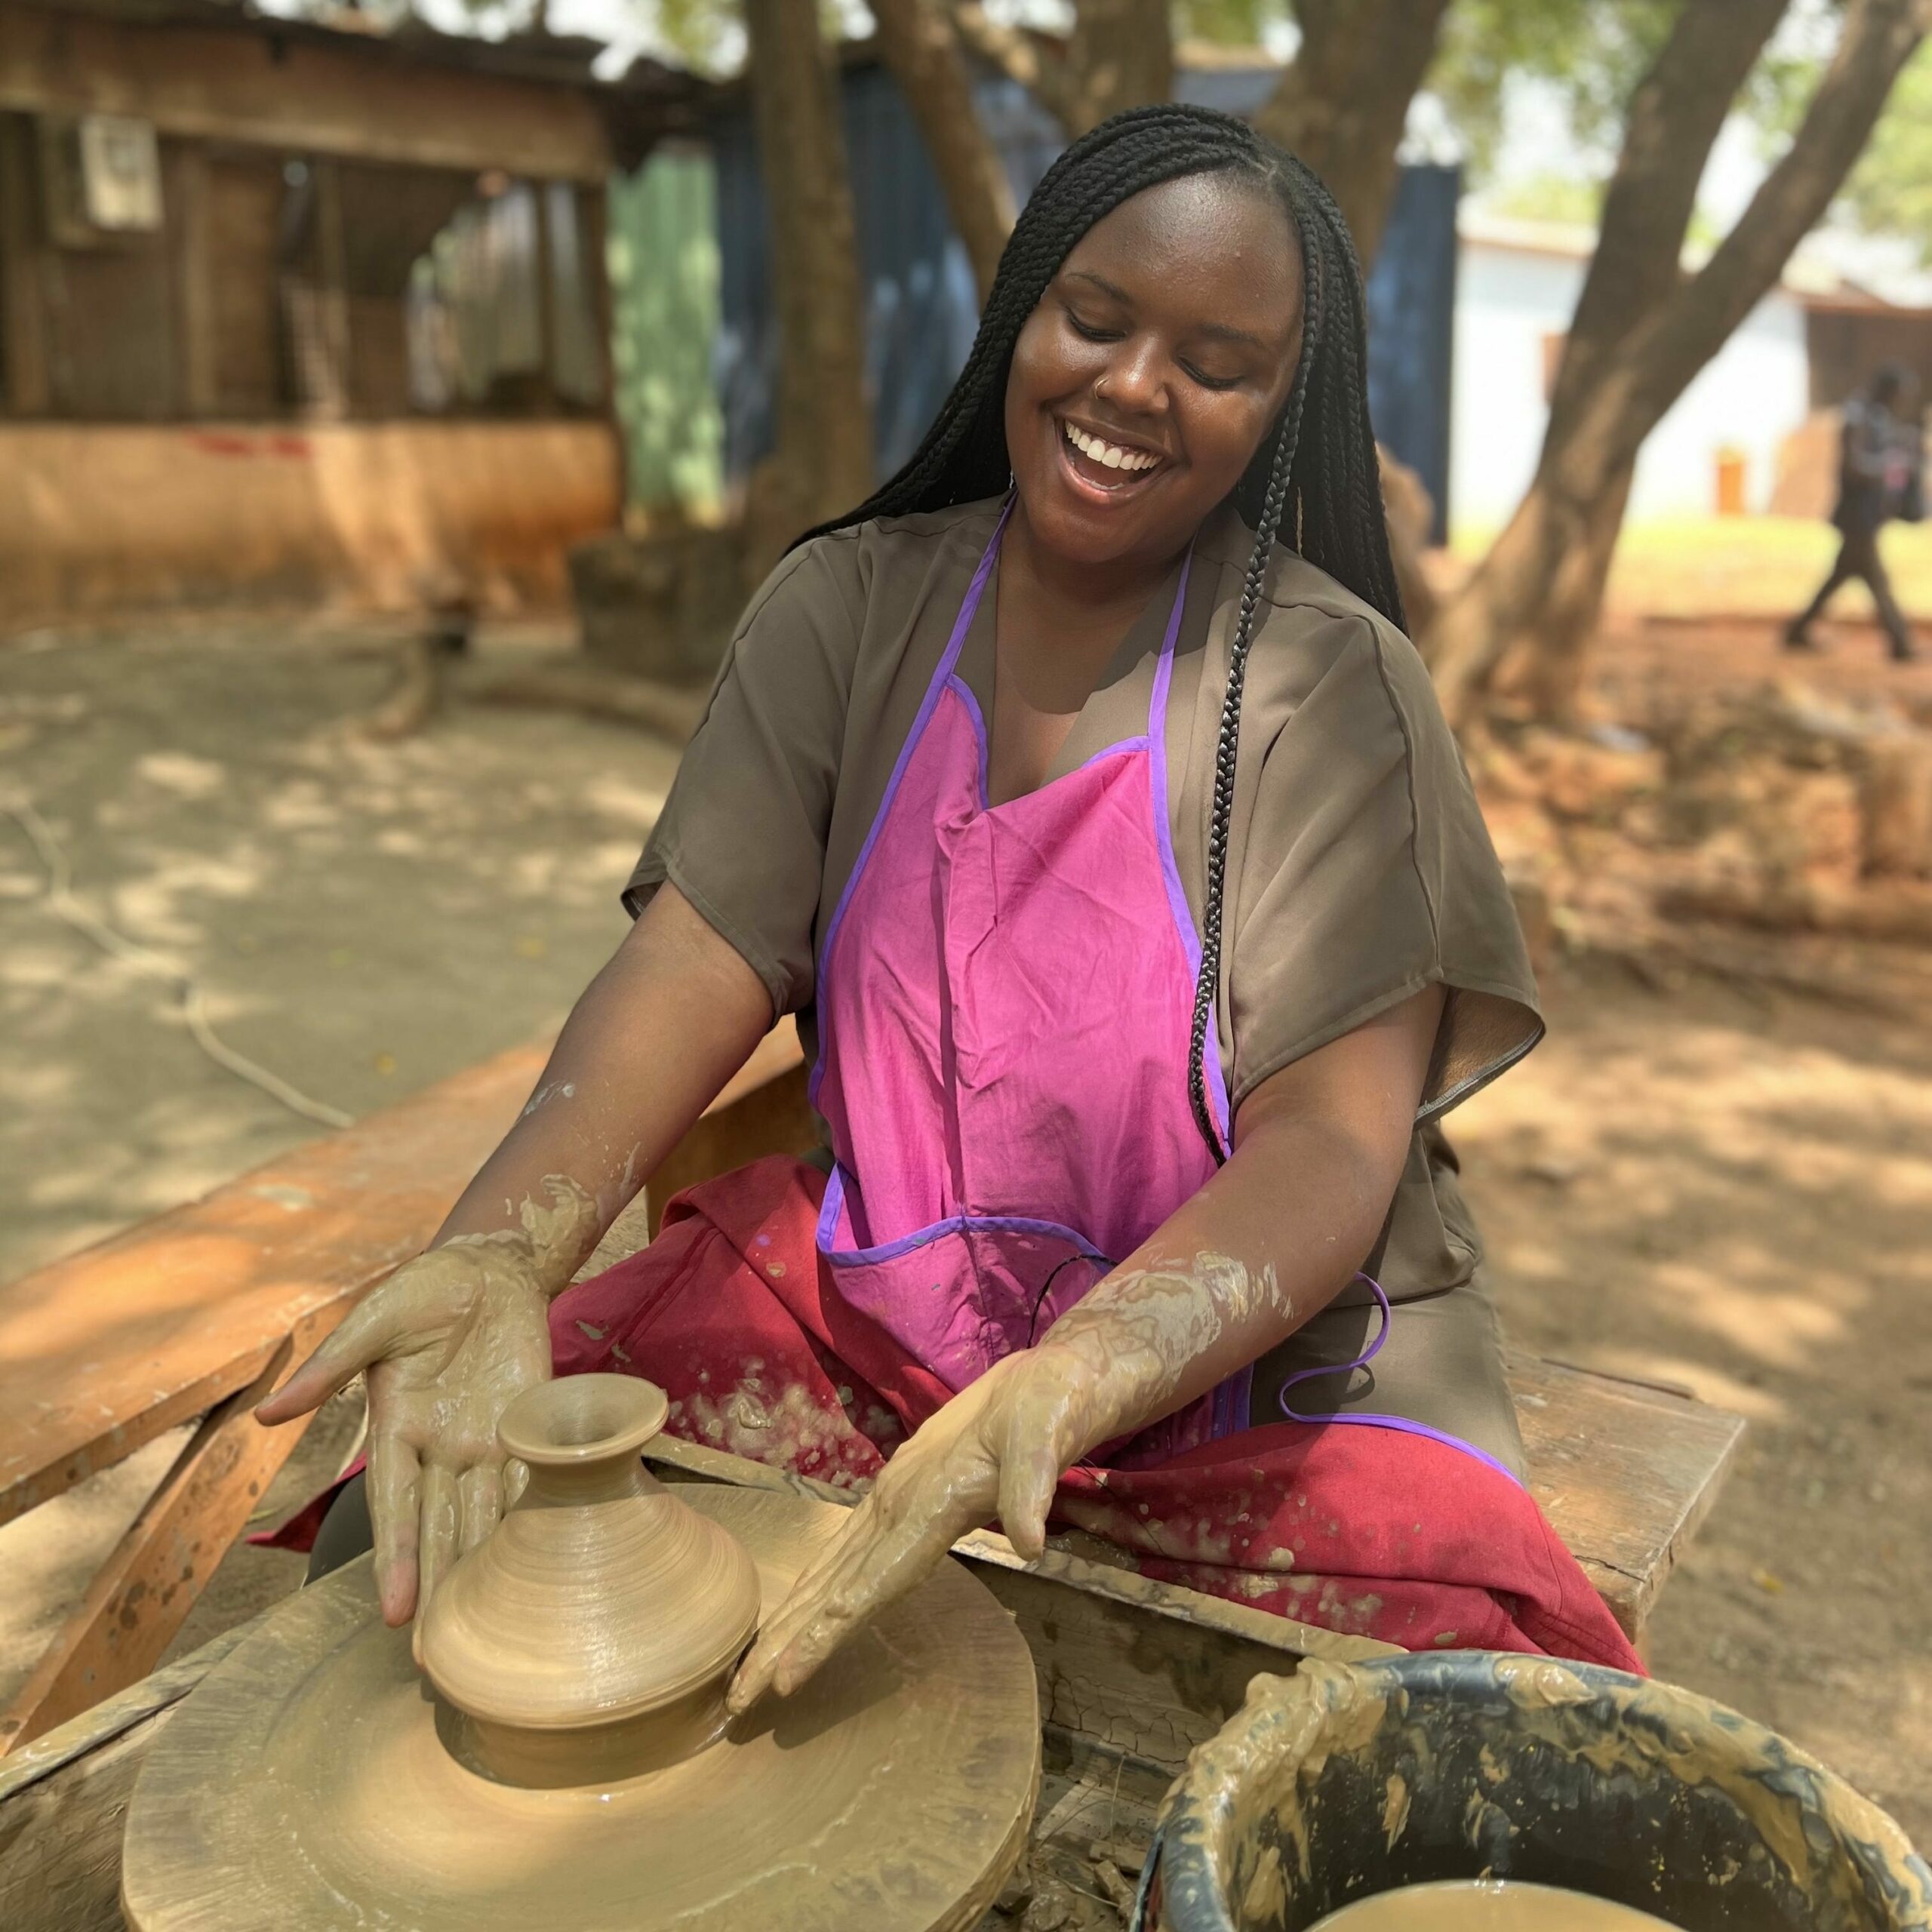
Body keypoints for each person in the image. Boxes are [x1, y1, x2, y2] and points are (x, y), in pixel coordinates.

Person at [259, 106, 1641, 1691]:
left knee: (1471, 1719)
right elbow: (690, 958)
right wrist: (505, 1247)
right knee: (437, 1510)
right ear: (1021, 313)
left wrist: (1082, 1371)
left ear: (1279, 405)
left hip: (1250, 1383)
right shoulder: (844, 611)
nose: (1131, 386)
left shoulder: (1333, 693)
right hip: (883, 1326)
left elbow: (1334, 1133)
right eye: (1096, 318)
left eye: (1215, 360)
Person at [1786, 361, 1924, 663]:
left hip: (1869, 515)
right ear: (1889, 391)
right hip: (1856, 515)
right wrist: (1889, 465)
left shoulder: (1879, 419)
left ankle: (1797, 630)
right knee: (1876, 581)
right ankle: (1900, 644)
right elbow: (1853, 466)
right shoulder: (1858, 419)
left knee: (1843, 575)